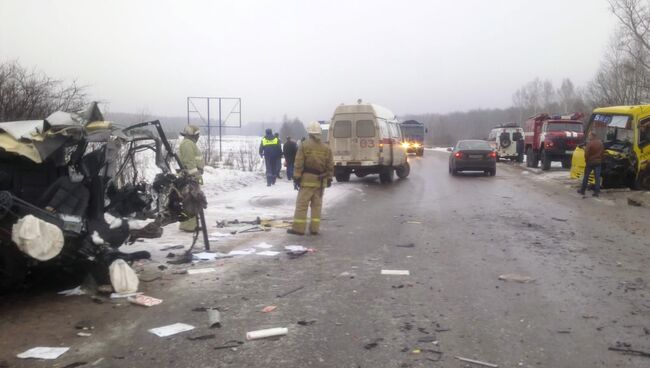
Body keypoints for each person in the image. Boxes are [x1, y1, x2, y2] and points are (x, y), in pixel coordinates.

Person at [287, 122, 334, 236]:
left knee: (302, 205)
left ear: (310, 133)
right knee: (316, 206)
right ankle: (314, 229)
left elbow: (299, 163)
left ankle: (299, 229)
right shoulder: (326, 148)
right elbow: (330, 165)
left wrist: (297, 177)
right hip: (320, 182)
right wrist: (329, 178)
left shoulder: (304, 145)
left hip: (306, 180)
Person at [178, 125, 205, 232]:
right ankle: (188, 226)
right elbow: (189, 162)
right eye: (197, 135)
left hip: (190, 177)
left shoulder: (189, 144)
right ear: (192, 135)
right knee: (190, 202)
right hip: (190, 177)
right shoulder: (187, 144)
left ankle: (190, 225)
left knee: (192, 201)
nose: (198, 137)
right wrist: (196, 176)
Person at [578, 131, 604, 197]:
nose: (589, 137)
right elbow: (602, 153)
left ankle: (582, 191)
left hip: (590, 162)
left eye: (589, 135)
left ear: (592, 136)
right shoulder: (600, 143)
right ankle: (596, 193)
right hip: (598, 162)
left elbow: (586, 154)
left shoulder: (590, 143)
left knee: (586, 176)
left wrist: (587, 161)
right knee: (597, 178)